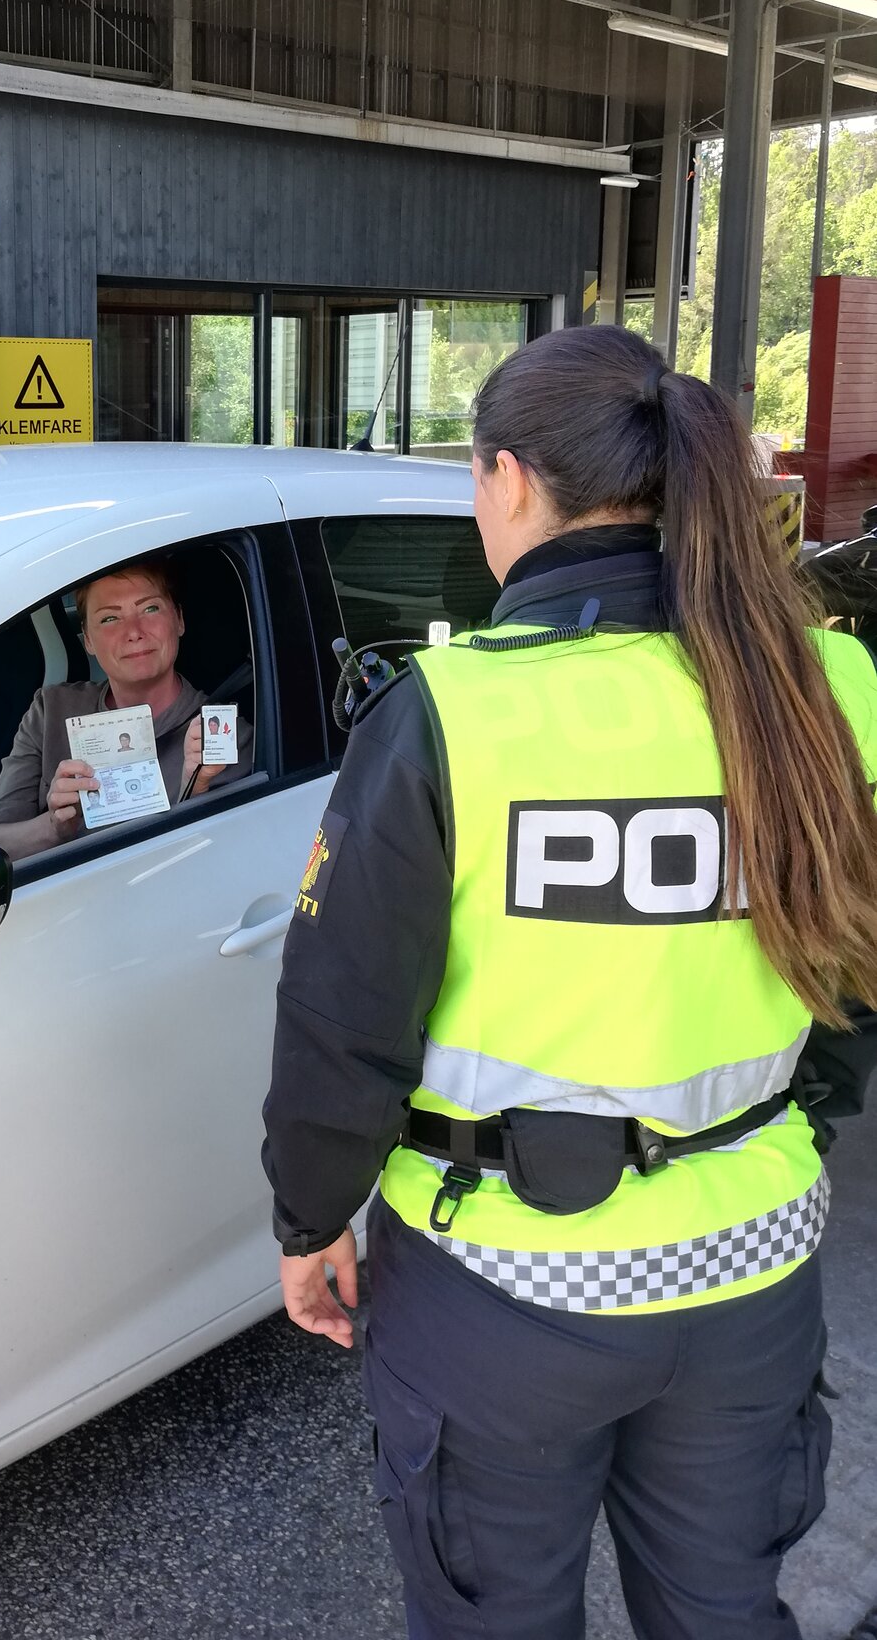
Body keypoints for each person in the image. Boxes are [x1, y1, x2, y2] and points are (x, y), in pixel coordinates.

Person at [262, 324, 877, 1640]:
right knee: (723, 1614)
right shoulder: (833, 684)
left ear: (510, 479)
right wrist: (784, 1127)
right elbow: (858, 973)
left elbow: (342, 1020)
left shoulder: (453, 711)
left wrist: (309, 1221)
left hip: (500, 1284)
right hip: (754, 1265)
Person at [0, 559, 238, 859]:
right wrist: (55, 827)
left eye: (150, 608)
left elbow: (226, 858)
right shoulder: (51, 711)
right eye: (110, 618)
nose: (134, 632)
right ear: (87, 639)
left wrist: (195, 790)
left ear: (179, 619)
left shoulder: (220, 734)